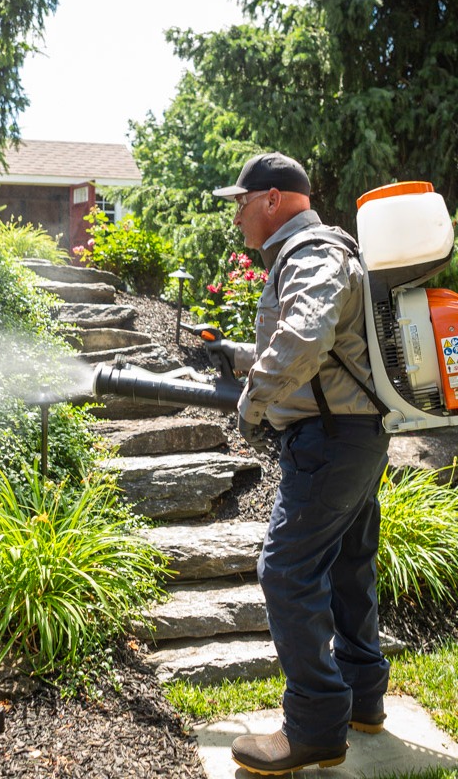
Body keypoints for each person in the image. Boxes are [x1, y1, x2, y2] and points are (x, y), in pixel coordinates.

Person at [205, 152, 391, 774]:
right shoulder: (323, 252)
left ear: (275, 199)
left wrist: (252, 405)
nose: (237, 216)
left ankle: (314, 729)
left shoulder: (309, 252)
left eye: (241, 202)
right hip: (354, 437)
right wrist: (239, 357)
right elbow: (326, 344)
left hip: (330, 442)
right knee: (345, 569)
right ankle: (362, 701)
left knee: (286, 572)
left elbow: (306, 339)